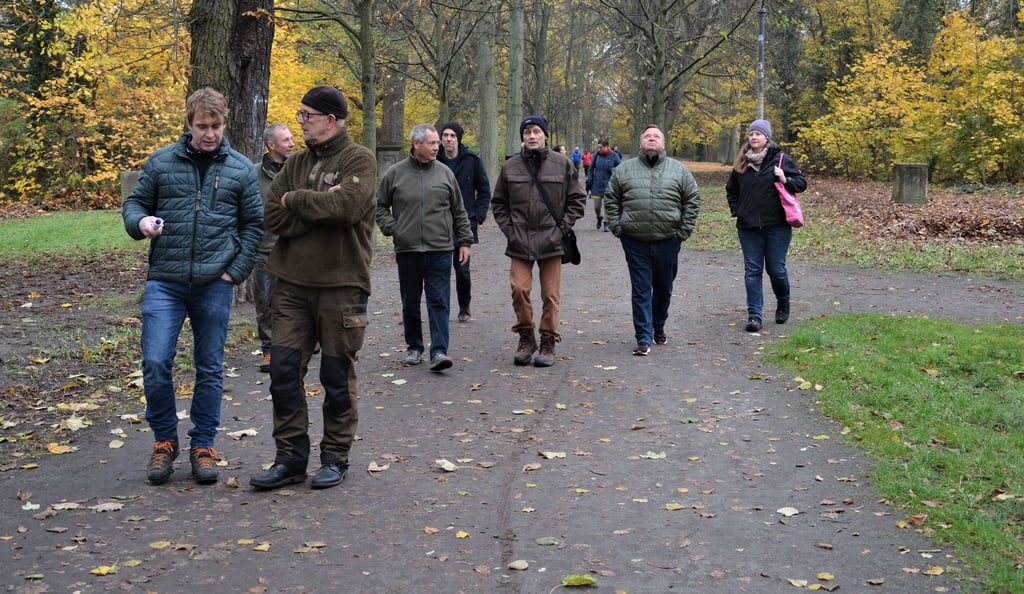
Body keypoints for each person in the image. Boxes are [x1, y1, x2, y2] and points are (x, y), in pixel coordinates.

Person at [122, 87, 263, 486]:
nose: (209, 134)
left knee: (210, 367)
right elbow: (134, 205)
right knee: (155, 362)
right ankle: (165, 441)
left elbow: (253, 226)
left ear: (224, 124)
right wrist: (141, 223)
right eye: (202, 126)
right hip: (165, 282)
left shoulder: (238, 169)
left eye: (216, 126)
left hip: (214, 284)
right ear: (189, 124)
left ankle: (203, 444)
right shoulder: (162, 162)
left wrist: (233, 273)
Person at [249, 85, 377, 491]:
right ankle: (289, 459)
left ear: (331, 120)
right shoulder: (297, 161)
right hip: (291, 285)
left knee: (336, 376)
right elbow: (272, 215)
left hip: (343, 285)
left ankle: (335, 457)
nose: (301, 121)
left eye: (307, 115)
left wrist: (295, 200)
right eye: (300, 115)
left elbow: (346, 209)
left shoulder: (360, 159)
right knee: (283, 372)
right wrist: (312, 202)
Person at [491, 115, 587, 367]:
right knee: (519, 289)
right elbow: (499, 203)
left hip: (551, 239)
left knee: (550, 294)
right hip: (519, 240)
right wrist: (510, 231)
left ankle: (547, 341)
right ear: (522, 137)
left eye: (536, 131)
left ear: (545, 135)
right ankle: (526, 337)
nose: (531, 136)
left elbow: (577, 200)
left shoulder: (563, 164)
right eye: (527, 132)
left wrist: (561, 229)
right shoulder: (510, 166)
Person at [377, 124, 473, 372]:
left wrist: (464, 241)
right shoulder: (395, 174)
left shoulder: (444, 174)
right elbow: (379, 207)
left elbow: (459, 210)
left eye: (437, 143)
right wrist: (393, 228)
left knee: (439, 301)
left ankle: (439, 351)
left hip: (440, 248)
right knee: (410, 302)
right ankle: (414, 347)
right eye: (432, 143)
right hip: (407, 251)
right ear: (416, 144)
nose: (436, 147)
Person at [604, 125, 701, 355]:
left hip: (668, 240)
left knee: (664, 288)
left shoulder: (679, 170)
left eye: (656, 136)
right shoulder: (624, 170)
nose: (651, 139)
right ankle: (643, 337)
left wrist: (683, 231)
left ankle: (658, 325)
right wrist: (618, 227)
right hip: (634, 240)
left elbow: (692, 200)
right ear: (640, 143)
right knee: (641, 289)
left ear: (663, 144)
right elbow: (611, 198)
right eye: (647, 136)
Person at [725, 118, 806, 333]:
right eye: (751, 134)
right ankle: (755, 316)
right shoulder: (742, 162)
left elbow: (802, 184)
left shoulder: (781, 160)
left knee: (776, 269)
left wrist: (785, 179)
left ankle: (783, 302)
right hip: (748, 227)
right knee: (752, 271)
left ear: (766, 137)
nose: (753, 137)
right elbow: (731, 190)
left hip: (777, 226)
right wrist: (738, 210)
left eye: (758, 134)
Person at [437, 121, 491, 323]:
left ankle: (464, 306)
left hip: (465, 222)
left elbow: (484, 190)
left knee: (462, 269)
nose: (448, 139)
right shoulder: (434, 158)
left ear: (458, 138)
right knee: (440, 269)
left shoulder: (472, 160)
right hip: (439, 222)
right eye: (445, 135)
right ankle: (441, 309)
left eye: (452, 135)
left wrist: (478, 216)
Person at [254, 123, 295, 373]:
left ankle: (294, 345)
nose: (292, 143)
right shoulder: (253, 174)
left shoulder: (298, 171)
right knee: (265, 303)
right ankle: (269, 351)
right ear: (272, 145)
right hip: (264, 250)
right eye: (287, 140)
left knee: (295, 302)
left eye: (292, 138)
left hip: (295, 247)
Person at [587, 139, 621, 231]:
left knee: (607, 205)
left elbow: (620, 167)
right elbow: (591, 169)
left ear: (607, 147)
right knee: (597, 207)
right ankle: (599, 217)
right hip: (597, 184)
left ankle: (606, 223)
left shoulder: (614, 155)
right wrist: (589, 179)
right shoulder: (596, 155)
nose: (599, 149)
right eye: (598, 147)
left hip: (609, 184)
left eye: (601, 147)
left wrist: (613, 170)